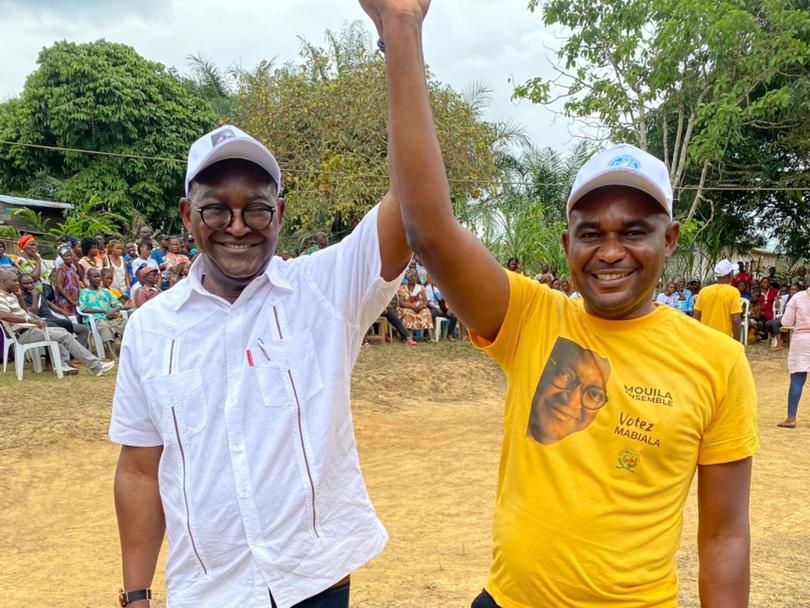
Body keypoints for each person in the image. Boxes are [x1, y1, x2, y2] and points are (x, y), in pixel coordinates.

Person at [364, 5, 757, 603]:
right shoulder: (530, 318)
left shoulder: (718, 362)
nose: (611, 251)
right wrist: (401, 30)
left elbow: (725, 535)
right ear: (566, 242)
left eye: (635, 230)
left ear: (669, 240)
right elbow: (431, 233)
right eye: (592, 231)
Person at [109, 122, 411, 608]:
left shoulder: (325, 291)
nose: (237, 225)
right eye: (215, 209)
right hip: (207, 592)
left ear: (280, 214)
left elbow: (411, 201)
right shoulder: (150, 329)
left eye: (256, 208)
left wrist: (401, 47)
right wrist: (137, 594)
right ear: (188, 214)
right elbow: (141, 470)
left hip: (313, 582)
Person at [0, 270, 115, 376]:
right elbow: (2, 315)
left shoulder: (10, 295)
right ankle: (97, 367)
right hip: (24, 333)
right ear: (4, 281)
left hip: (31, 329)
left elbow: (25, 313)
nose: (17, 283)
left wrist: (20, 297)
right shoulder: (1, 296)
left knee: (62, 331)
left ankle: (63, 365)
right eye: (14, 281)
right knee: (63, 335)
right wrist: (29, 321)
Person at [19, 271, 90, 346]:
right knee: (64, 325)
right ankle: (65, 354)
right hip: (43, 322)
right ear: (20, 285)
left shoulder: (36, 292)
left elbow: (50, 304)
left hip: (52, 318)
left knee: (83, 329)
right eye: (26, 283)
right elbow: (33, 313)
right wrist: (34, 297)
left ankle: (78, 353)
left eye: (31, 283)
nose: (30, 286)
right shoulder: (22, 297)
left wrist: (63, 312)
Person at [778, 285, 810, 428]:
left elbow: (786, 322)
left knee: (797, 380)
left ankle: (791, 418)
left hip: (801, 340)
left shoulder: (798, 297)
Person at [78, 267, 127, 360]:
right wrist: (103, 311)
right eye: (95, 277)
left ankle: (130, 350)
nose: (98, 279)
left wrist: (113, 310)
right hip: (95, 320)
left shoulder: (105, 292)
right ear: (88, 278)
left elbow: (118, 304)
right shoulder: (84, 292)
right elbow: (83, 308)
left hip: (110, 318)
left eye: (99, 277)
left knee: (127, 323)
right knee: (104, 326)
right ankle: (111, 354)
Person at [693, 260, 744, 339]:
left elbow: (696, 316)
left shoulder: (704, 291)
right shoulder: (733, 292)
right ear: (729, 275)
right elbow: (736, 320)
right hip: (724, 339)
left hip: (705, 338)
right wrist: (737, 341)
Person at [397, 269, 434, 341]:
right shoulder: (402, 288)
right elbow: (401, 303)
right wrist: (412, 306)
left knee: (426, 312)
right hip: (407, 307)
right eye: (413, 276)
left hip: (419, 308)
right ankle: (409, 337)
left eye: (416, 276)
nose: (415, 278)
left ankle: (430, 337)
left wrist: (421, 306)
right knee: (408, 313)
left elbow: (425, 301)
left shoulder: (420, 288)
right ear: (408, 278)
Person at [53, 243, 82, 317]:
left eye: (70, 255)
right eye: (66, 256)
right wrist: (70, 300)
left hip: (74, 299)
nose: (69, 258)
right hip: (65, 300)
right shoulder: (61, 269)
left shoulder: (72, 268)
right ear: (62, 258)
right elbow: (59, 286)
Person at [425, 274, 457, 340]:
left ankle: (450, 335)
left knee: (454, 317)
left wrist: (450, 309)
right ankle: (430, 335)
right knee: (432, 314)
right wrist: (436, 308)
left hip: (443, 308)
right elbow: (427, 303)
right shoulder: (428, 288)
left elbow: (449, 300)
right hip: (433, 308)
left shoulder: (443, 287)